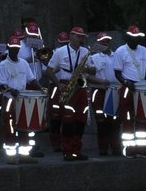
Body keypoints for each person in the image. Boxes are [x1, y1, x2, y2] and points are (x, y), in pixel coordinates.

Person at [48, 26, 92, 161]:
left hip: (81, 85)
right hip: (66, 83)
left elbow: (92, 70)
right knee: (68, 120)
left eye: (82, 37)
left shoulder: (85, 51)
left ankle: (76, 149)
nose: (81, 39)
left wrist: (87, 68)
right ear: (71, 36)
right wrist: (58, 84)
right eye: (79, 36)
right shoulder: (60, 52)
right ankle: (67, 150)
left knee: (81, 119)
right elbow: (49, 71)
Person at [111, 23, 146, 156]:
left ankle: (142, 149)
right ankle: (129, 150)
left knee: (142, 118)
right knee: (128, 118)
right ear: (128, 38)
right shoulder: (120, 51)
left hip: (141, 87)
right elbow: (117, 73)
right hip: (127, 88)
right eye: (134, 37)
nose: (137, 40)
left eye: (138, 37)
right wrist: (125, 82)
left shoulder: (143, 50)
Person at [87, 32, 120, 156]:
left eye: (107, 41)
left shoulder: (117, 55)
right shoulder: (93, 57)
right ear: (98, 43)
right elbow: (87, 76)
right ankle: (103, 147)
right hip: (99, 90)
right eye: (103, 42)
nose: (105, 43)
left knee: (114, 120)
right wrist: (101, 82)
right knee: (101, 120)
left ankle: (115, 147)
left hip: (114, 90)